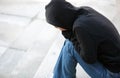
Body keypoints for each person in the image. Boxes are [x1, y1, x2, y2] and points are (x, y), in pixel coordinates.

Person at [45, 0, 120, 78]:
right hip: (115, 64)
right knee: (71, 43)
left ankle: (60, 76)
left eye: (56, 25)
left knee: (70, 46)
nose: (57, 28)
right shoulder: (85, 10)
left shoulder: (80, 27)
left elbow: (89, 59)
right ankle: (59, 76)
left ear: (61, 20)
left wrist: (69, 35)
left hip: (113, 74)